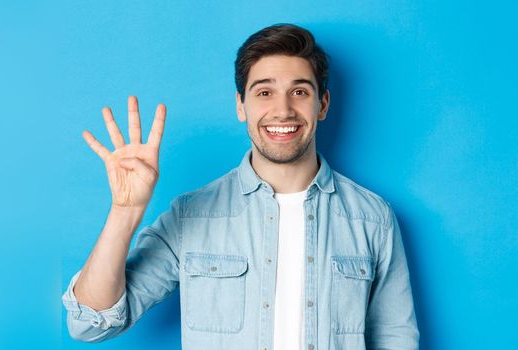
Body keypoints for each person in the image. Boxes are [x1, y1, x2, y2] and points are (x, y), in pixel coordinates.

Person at [61, 23, 419, 350]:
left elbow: (396, 338)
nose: (283, 110)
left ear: (322, 104)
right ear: (240, 105)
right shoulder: (190, 217)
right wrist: (125, 212)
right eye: (264, 92)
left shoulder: (373, 220)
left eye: (299, 91)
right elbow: (90, 324)